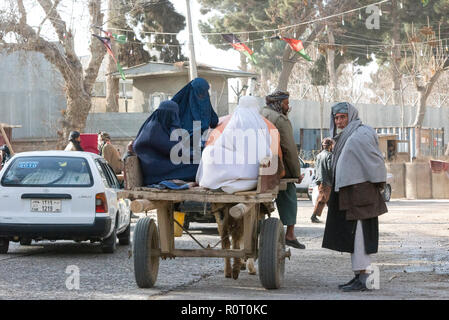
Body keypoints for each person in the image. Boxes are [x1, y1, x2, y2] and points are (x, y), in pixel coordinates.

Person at [322, 102, 388, 292]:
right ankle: (359, 275)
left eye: (343, 117)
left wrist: (378, 182)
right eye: (336, 118)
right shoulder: (347, 135)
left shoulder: (362, 132)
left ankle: (367, 278)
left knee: (361, 234)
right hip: (352, 192)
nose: (339, 121)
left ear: (351, 116)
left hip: (362, 192)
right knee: (355, 234)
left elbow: (374, 160)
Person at [196, 96, 278, 193]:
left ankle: (218, 179)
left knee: (209, 152)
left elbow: (221, 143)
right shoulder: (261, 123)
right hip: (258, 170)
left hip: (244, 168)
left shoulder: (237, 120)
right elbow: (267, 147)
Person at [261, 91, 306, 250]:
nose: (288, 107)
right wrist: (295, 174)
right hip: (274, 167)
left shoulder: (259, 113)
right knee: (289, 192)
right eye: (286, 103)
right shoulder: (280, 119)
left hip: (253, 167)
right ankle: (290, 234)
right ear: (279, 104)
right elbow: (289, 149)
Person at [133, 100, 199, 186]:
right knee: (197, 166)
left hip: (161, 163)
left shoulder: (157, 125)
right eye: (173, 115)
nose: (175, 118)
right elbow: (175, 150)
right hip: (155, 170)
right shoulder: (154, 129)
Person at [310, 138, 334, 223]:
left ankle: (332, 217)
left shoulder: (318, 155)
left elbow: (315, 169)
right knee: (322, 198)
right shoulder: (329, 155)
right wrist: (333, 178)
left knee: (329, 200)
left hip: (320, 180)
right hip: (326, 181)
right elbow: (330, 168)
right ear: (330, 145)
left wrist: (317, 179)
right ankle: (314, 216)